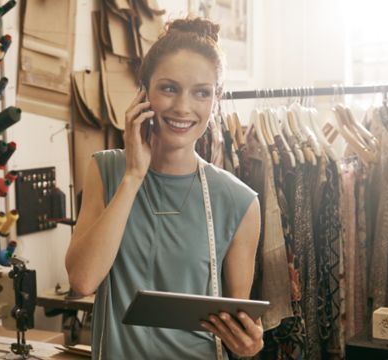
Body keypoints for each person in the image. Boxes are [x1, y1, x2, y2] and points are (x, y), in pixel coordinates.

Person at [65, 16, 264, 359]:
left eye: (201, 92)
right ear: (143, 93)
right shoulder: (107, 170)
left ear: (215, 101)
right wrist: (133, 176)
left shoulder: (239, 202)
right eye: (169, 88)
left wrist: (248, 346)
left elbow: (237, 329)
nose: (183, 107)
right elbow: (82, 282)